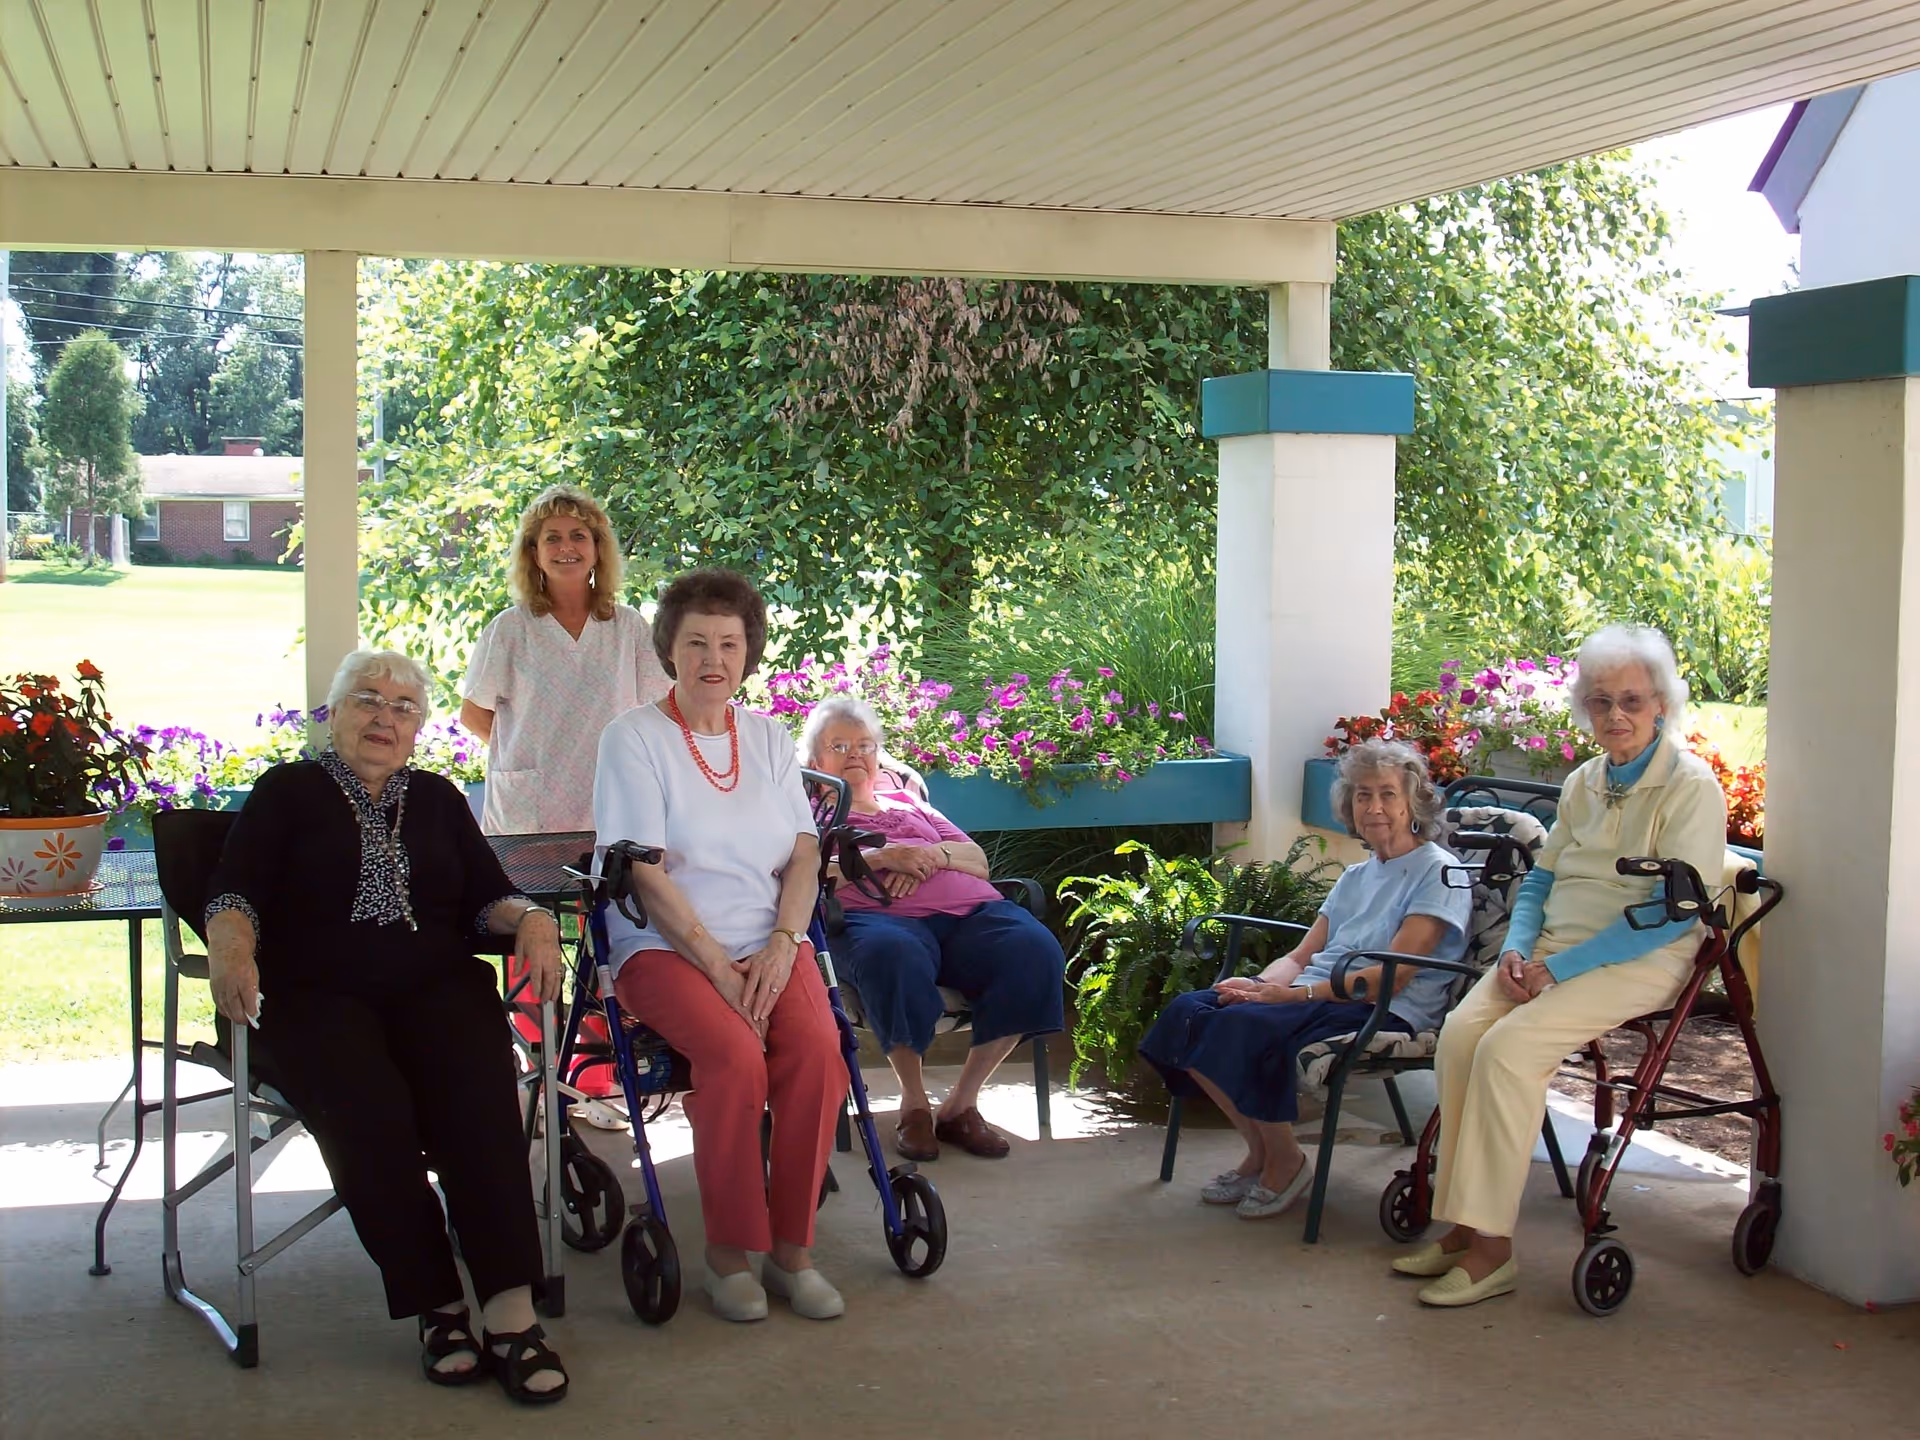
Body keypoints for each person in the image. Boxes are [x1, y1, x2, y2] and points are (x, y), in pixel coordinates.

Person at [202, 649, 569, 1404]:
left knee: (480, 1099)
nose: (385, 717)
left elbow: (489, 897)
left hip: (434, 985)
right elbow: (233, 893)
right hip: (314, 995)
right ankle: (437, 1305)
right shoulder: (287, 792)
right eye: (368, 700)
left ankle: (510, 1308)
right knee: (369, 1112)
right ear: (333, 713)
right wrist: (232, 949)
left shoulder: (436, 798)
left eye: (404, 707)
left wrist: (530, 917)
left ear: (418, 727)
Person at [1397, 624, 1728, 1308]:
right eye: (1602, 701)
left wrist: (1561, 967)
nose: (1616, 716)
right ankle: (1463, 1228)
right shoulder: (1584, 781)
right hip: (1546, 953)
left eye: (1632, 701)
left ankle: (1493, 1252)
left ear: (1661, 704)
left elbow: (1674, 913)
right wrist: (1519, 948)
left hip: (1636, 958)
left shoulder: (1691, 788)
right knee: (1462, 1037)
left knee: (1509, 1051)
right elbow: (1542, 882)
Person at [592, 569, 845, 1323]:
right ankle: (729, 1254)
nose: (713, 657)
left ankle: (792, 1252)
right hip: (664, 949)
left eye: (729, 643)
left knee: (819, 1054)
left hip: (768, 940)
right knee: (734, 1057)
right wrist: (717, 969)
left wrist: (781, 944)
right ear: (669, 647)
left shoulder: (767, 737)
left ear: (748, 653)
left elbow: (804, 854)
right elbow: (643, 868)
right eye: (696, 640)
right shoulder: (633, 738)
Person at [1140, 739, 1471, 1220]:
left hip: (1381, 1008)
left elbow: (1392, 978)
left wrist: (1289, 998)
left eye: (1387, 794)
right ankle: (1263, 1153)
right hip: (1318, 992)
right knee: (1190, 1013)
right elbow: (1300, 955)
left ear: (1413, 802)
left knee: (1246, 1028)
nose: (1374, 807)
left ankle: (1287, 1162)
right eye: (1362, 795)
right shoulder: (1357, 875)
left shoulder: (1439, 873)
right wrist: (1258, 985)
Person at [461, 485, 668, 1125]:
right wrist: (535, 752)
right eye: (551, 536)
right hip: (528, 818)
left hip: (607, 815)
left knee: (606, 948)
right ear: (534, 552)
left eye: (579, 535)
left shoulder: (627, 626)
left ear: (598, 549)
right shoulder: (512, 628)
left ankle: (598, 1083)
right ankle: (536, 1081)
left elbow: (661, 707)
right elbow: (474, 713)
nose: (566, 546)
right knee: (533, 941)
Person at [801, 695, 1066, 1162]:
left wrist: (929, 855)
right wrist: (883, 858)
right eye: (838, 745)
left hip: (967, 914)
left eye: (864, 745)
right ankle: (915, 1104)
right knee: (893, 956)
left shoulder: (908, 799)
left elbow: (977, 861)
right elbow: (805, 874)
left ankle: (961, 1105)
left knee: (1033, 949)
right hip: (875, 920)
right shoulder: (811, 815)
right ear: (815, 759)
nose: (855, 755)